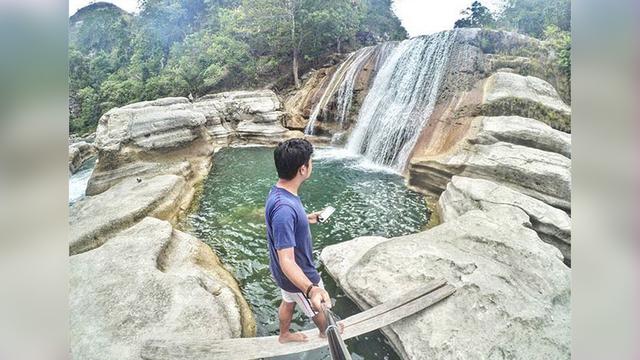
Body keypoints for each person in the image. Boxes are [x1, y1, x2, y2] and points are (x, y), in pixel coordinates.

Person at [265, 138, 338, 343]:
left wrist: (305, 219)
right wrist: (310, 289)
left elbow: (281, 223)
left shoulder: (279, 192)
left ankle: (284, 335)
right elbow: (287, 260)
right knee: (319, 309)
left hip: (284, 276)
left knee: (288, 303)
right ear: (303, 169)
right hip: (298, 276)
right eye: (310, 161)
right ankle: (327, 331)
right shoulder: (285, 210)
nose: (311, 165)